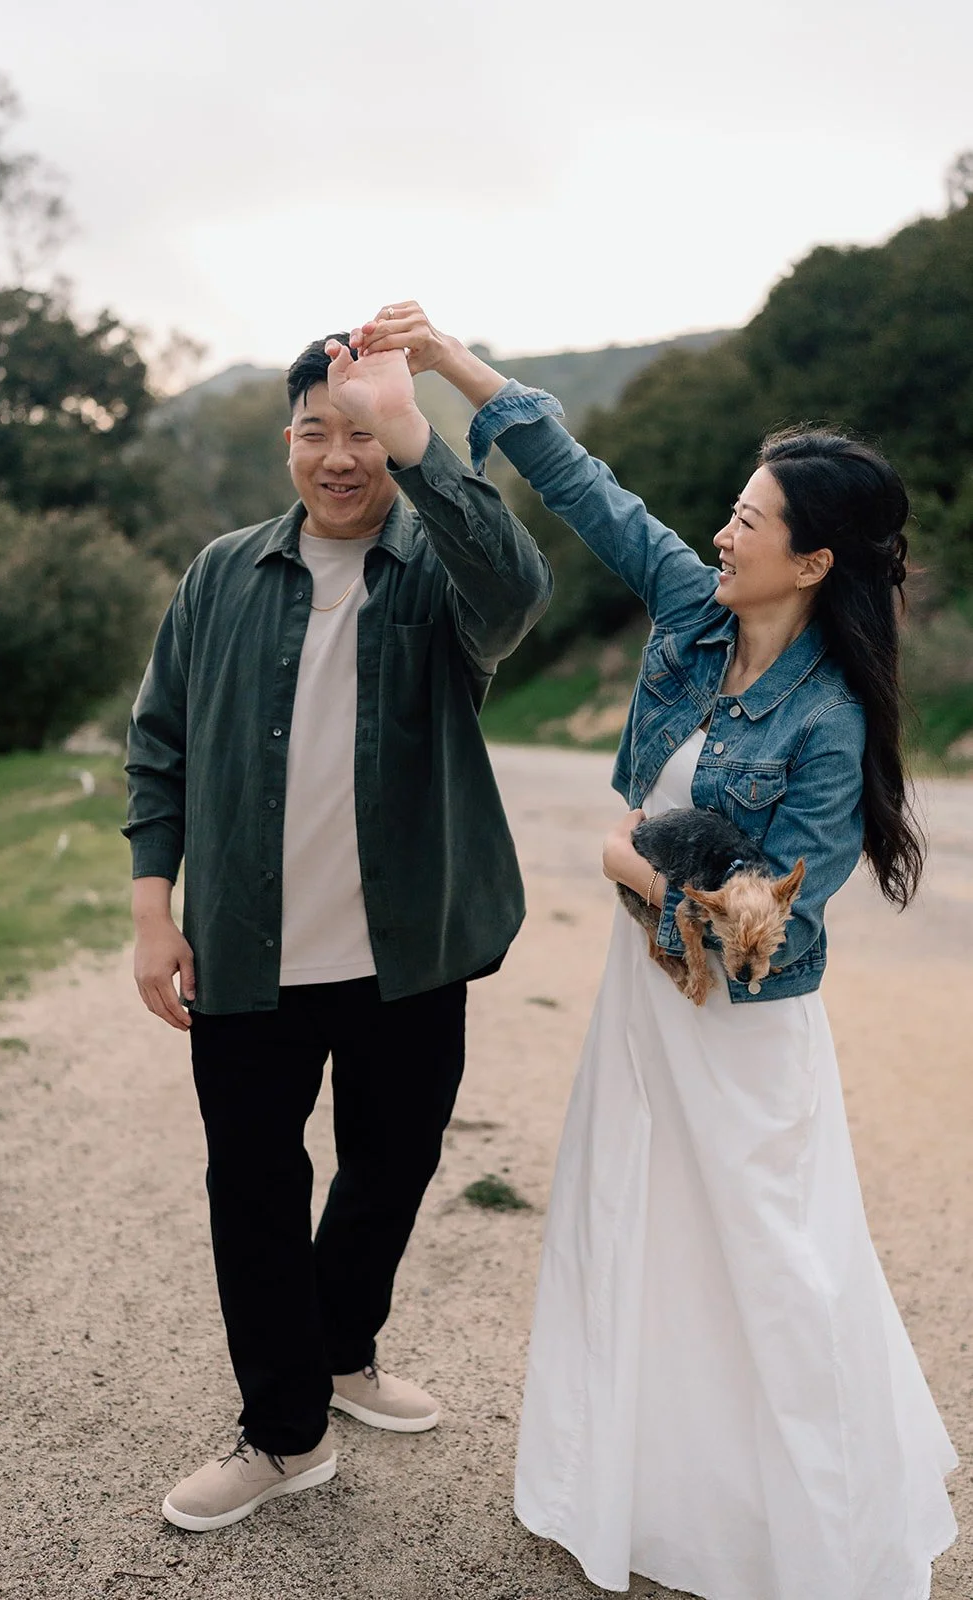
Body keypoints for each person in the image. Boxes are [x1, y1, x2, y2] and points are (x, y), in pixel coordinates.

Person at [355, 303, 958, 1599]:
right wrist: (451, 361)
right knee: (630, 1237)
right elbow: (583, 488)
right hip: (645, 1014)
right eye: (731, 510)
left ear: (808, 564)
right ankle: (644, 1505)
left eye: (750, 519)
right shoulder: (691, 614)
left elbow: (765, 926)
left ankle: (812, 1534)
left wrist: (637, 863)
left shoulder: (828, 724)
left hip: (739, 1036)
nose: (721, 531)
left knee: (772, 1271)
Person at [123, 326, 551, 1532]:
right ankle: (286, 1430)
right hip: (250, 957)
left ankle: (339, 1345)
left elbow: (519, 590)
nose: (339, 456)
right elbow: (156, 747)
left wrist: (420, 431)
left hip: (407, 951)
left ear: (394, 442)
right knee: (251, 1188)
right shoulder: (219, 575)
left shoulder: (438, 574)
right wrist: (154, 913)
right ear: (288, 443)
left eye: (363, 431)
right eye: (318, 430)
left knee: (393, 1161)